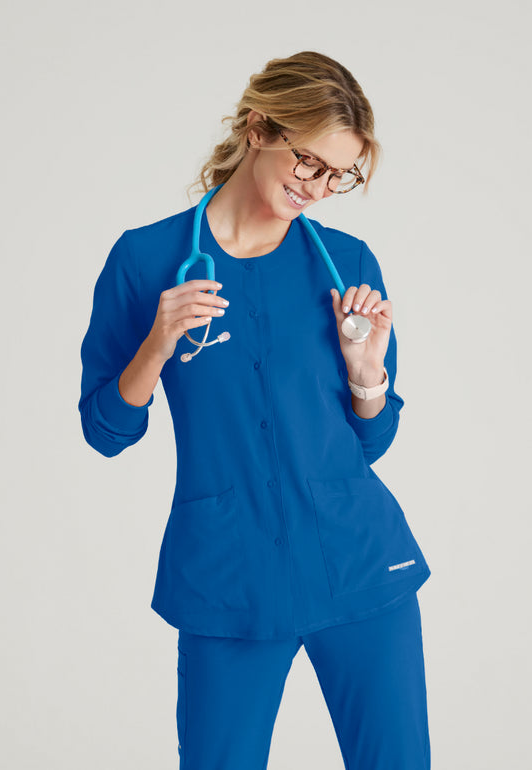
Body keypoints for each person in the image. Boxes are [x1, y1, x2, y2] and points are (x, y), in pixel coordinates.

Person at [78, 50, 431, 769]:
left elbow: (371, 442)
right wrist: (156, 346)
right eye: (309, 162)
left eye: (338, 175)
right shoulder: (146, 262)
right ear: (258, 127)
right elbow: (105, 430)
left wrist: (366, 374)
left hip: (360, 566)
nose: (318, 188)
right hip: (229, 579)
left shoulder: (347, 263)